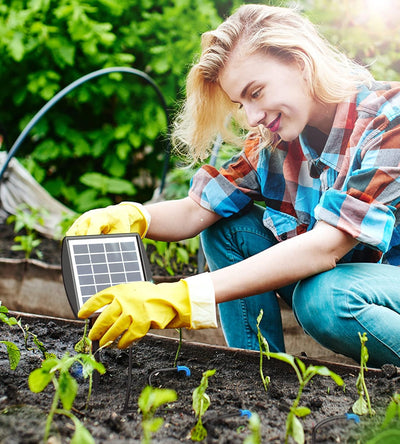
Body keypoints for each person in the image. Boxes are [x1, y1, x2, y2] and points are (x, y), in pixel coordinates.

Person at [67, 4, 400, 368]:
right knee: (226, 228)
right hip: (355, 281)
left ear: (301, 62)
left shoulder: (389, 122)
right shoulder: (276, 140)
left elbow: (324, 247)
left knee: (325, 298)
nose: (252, 116)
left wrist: (180, 298)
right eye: (240, 103)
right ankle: (256, 374)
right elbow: (198, 209)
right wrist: (134, 216)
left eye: (255, 92)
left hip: (382, 288)